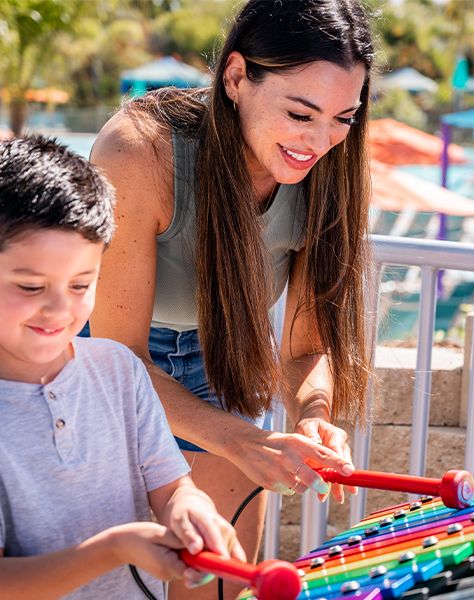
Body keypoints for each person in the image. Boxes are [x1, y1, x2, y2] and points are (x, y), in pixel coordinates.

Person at [90, 1, 374, 596]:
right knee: (107, 582)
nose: (320, 142)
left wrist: (314, 416)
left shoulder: (330, 173)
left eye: (343, 118)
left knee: (219, 584)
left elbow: (304, 348)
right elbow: (120, 356)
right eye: (301, 113)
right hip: (101, 365)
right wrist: (244, 437)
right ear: (238, 77)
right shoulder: (142, 150)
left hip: (222, 359)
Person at [0, 136, 246, 599]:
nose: (59, 309)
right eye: (31, 287)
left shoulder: (119, 370)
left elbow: (171, 486)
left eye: (80, 284)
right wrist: (115, 549)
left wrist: (191, 510)